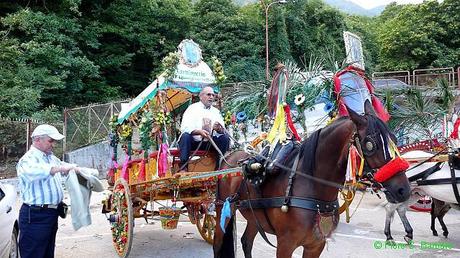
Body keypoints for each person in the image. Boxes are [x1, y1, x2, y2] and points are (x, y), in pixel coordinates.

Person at [16, 124, 79, 258]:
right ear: (38, 140)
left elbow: (63, 168)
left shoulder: (51, 157)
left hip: (51, 213)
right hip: (35, 215)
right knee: (34, 253)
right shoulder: (27, 160)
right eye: (51, 141)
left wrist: (75, 170)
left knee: (47, 252)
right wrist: (59, 168)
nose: (53, 145)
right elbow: (36, 172)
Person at [178, 86, 230, 171]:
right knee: (185, 136)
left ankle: (219, 167)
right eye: (208, 94)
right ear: (201, 96)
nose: (211, 97)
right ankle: (183, 167)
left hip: (210, 142)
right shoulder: (192, 108)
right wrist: (198, 131)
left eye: (213, 95)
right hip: (194, 142)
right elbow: (185, 127)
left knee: (225, 138)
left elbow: (222, 130)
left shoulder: (216, 112)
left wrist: (219, 129)